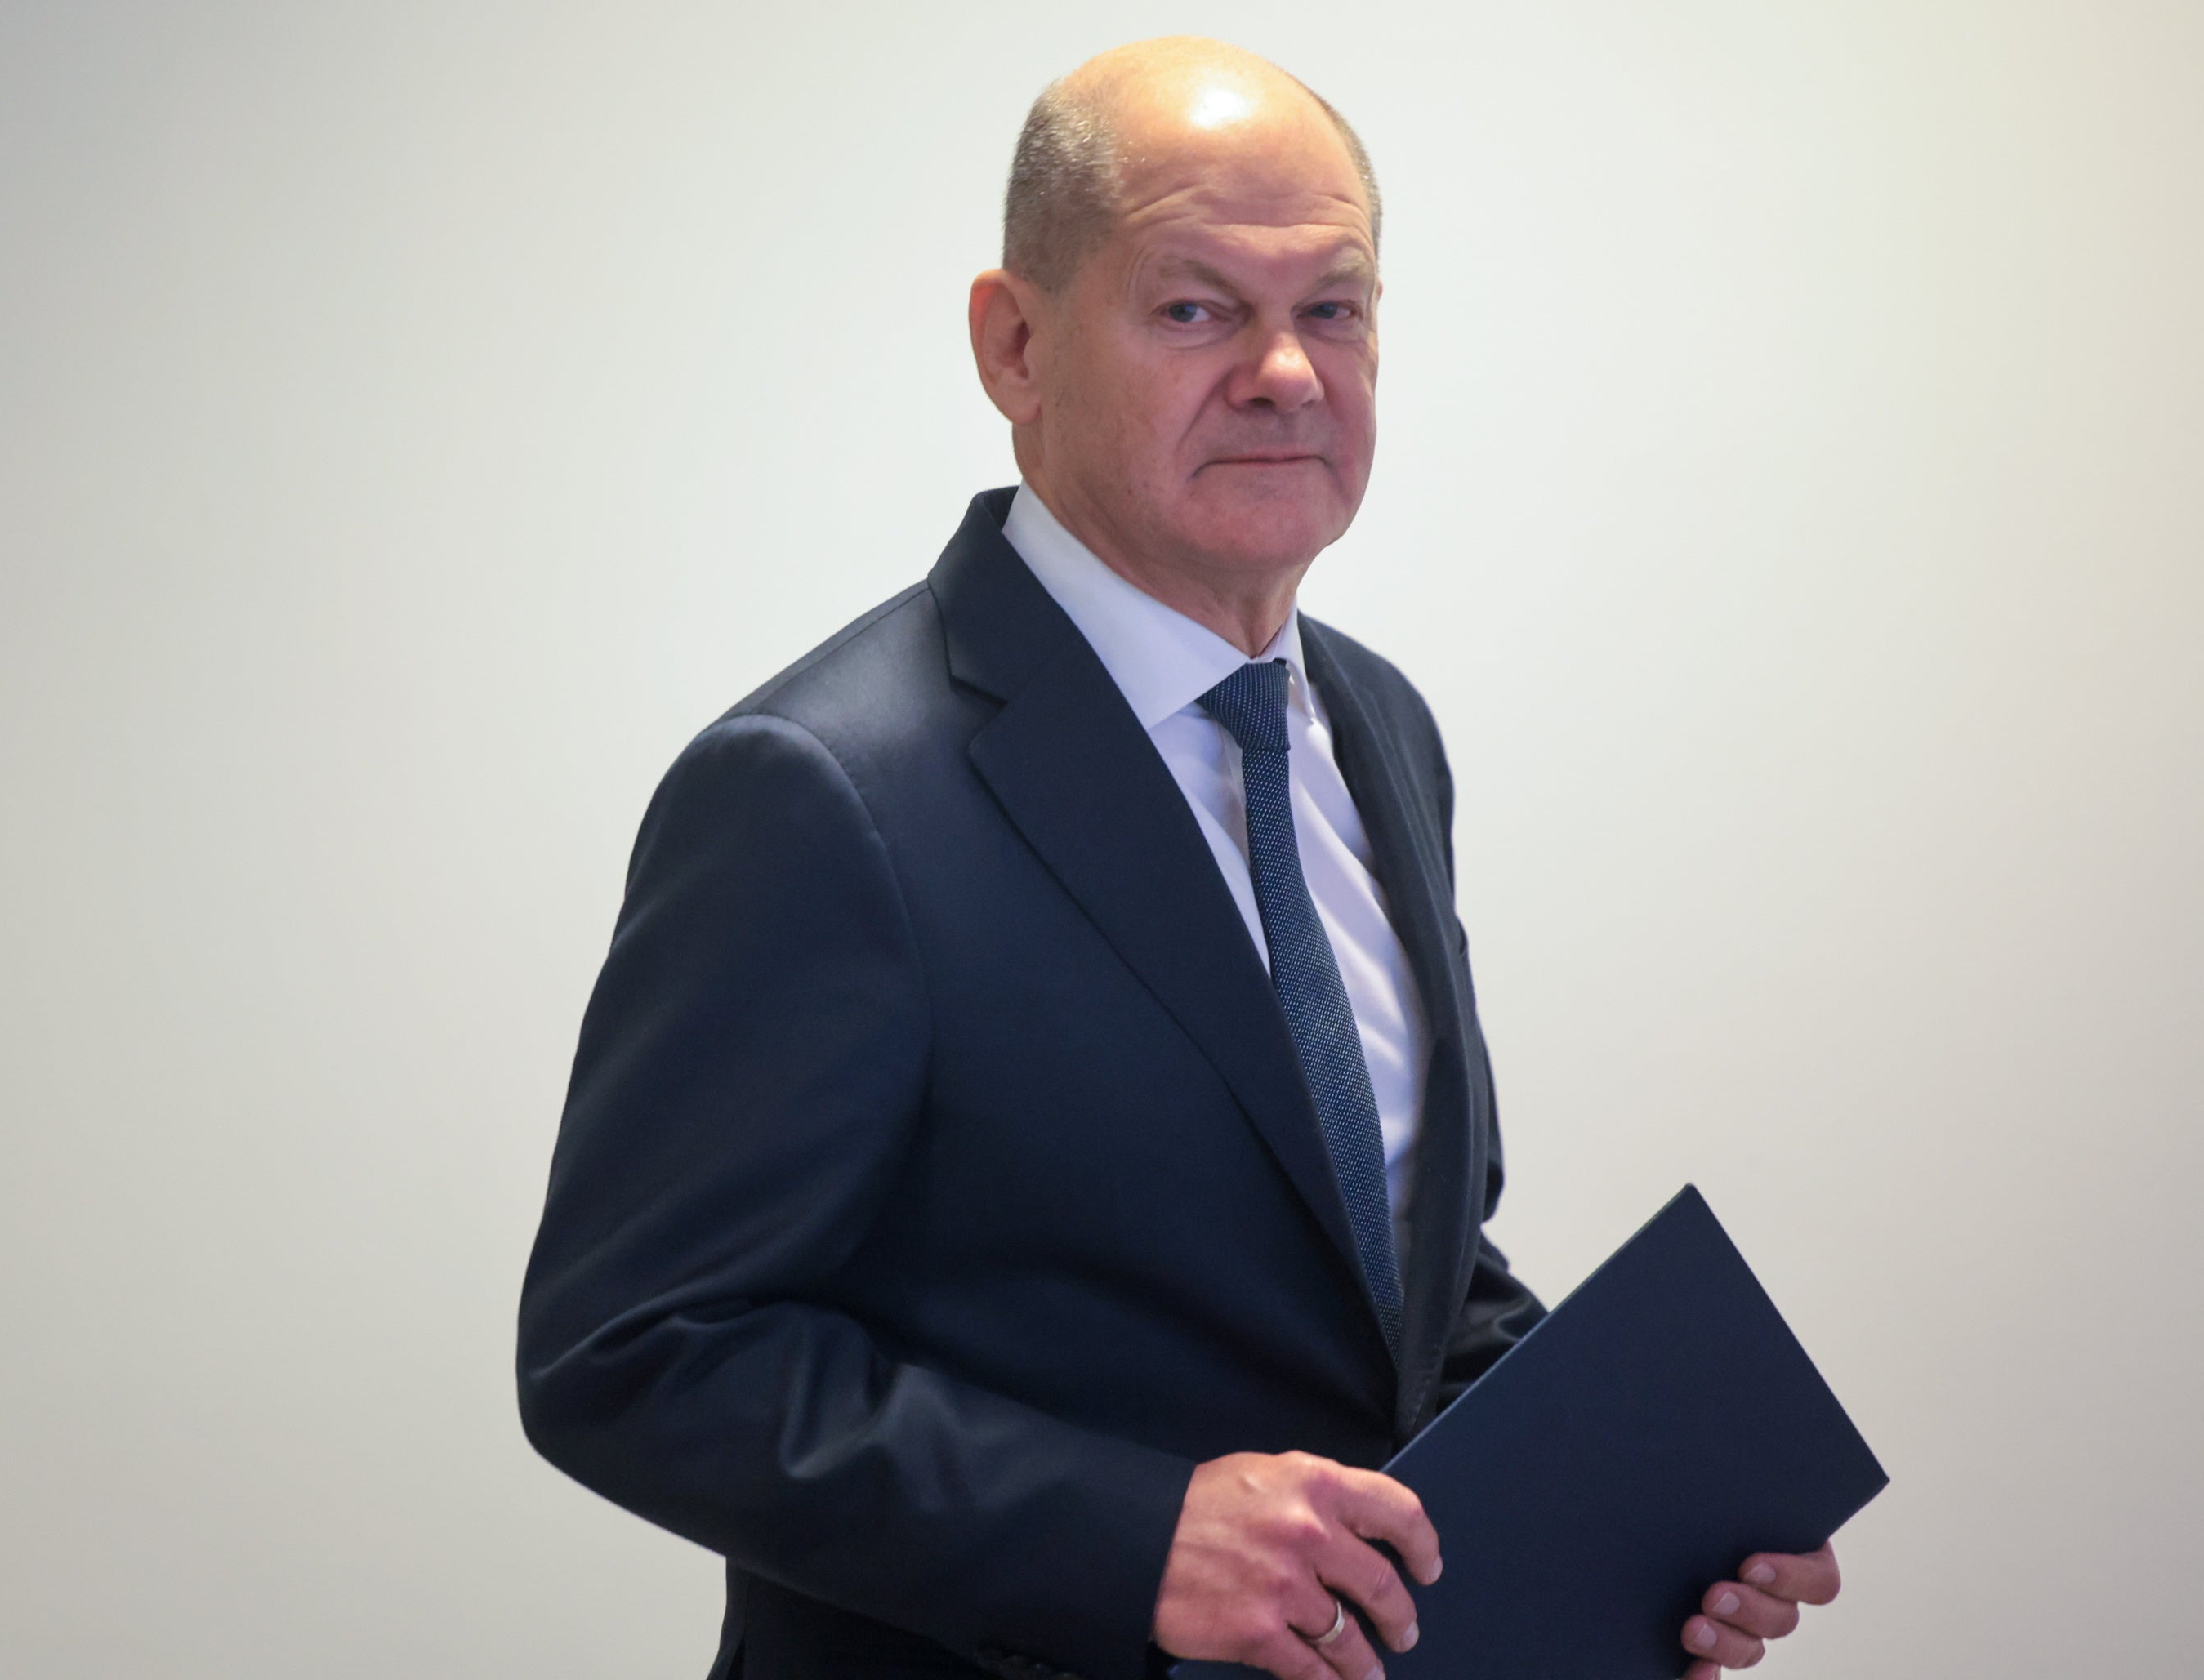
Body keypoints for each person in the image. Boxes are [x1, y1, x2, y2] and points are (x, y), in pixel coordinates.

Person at [517, 36, 1840, 1680]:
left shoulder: (1378, 731)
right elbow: (635, 1352)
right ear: (1016, 344)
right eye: (1195, 308)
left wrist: (1639, 1496)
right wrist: (1132, 1537)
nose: (1289, 372)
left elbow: (1375, 1274)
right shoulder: (820, 793)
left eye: (1335, 310)